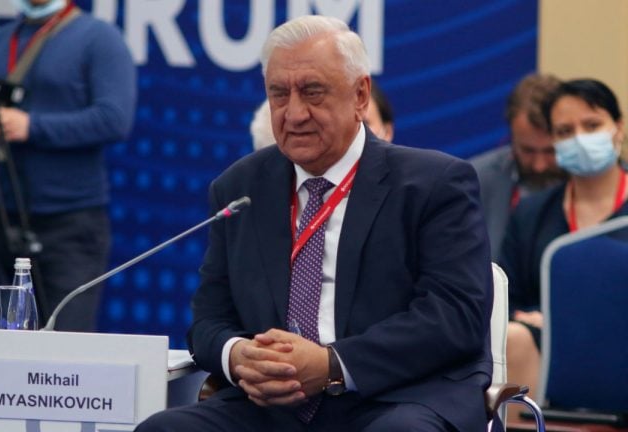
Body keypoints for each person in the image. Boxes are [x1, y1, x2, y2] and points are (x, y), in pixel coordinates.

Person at [138, 15, 492, 431]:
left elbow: (455, 316)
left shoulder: (433, 184)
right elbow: (207, 321)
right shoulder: (240, 189)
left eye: (312, 92)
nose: (294, 113)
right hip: (273, 407)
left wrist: (331, 364)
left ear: (360, 95)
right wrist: (238, 356)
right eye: (279, 94)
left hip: (394, 397)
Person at [0, 0, 136, 331]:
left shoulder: (99, 38)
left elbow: (114, 119)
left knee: (64, 343)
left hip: (69, 221)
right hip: (0, 216)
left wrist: (31, 127)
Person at [499, 78, 627, 418]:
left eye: (592, 125)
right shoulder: (532, 214)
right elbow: (506, 297)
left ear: (618, 127)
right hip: (550, 350)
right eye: (565, 131)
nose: (580, 139)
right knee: (512, 337)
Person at [470, 73, 566, 260]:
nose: (539, 166)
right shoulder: (474, 181)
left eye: (550, 151)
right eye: (527, 151)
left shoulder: (598, 181)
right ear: (511, 136)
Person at [250, 78, 393, 151]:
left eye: (363, 123)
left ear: (387, 132)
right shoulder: (246, 191)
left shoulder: (404, 188)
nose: (349, 130)